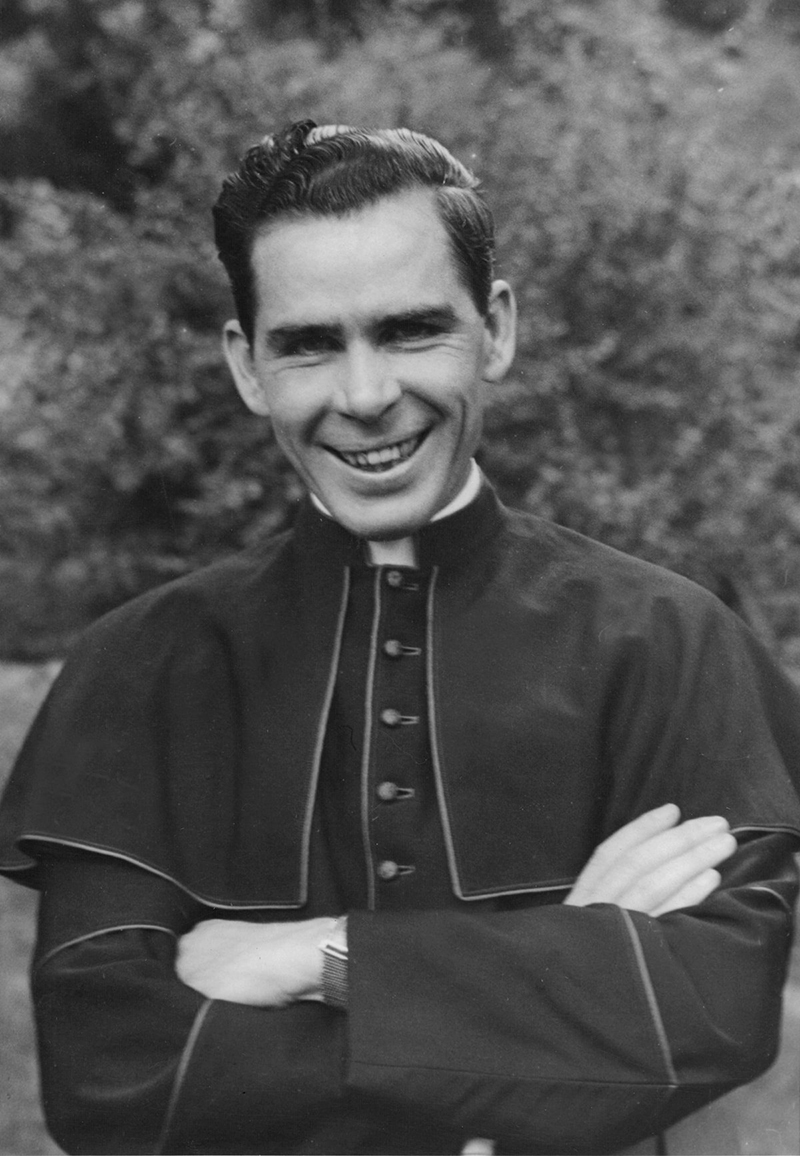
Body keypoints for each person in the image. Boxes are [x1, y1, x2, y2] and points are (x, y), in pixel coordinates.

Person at [1, 120, 799, 1156]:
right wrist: (563, 964)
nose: (365, 396)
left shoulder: (668, 643)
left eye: (411, 329)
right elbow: (119, 1084)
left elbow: (700, 1017)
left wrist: (316, 957)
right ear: (248, 367)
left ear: (496, 330)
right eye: (308, 343)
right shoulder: (139, 667)